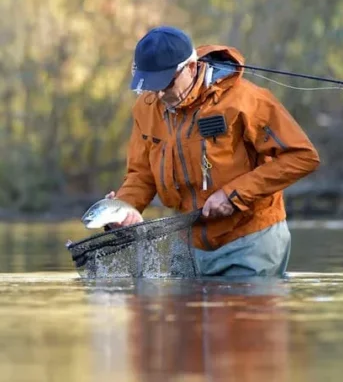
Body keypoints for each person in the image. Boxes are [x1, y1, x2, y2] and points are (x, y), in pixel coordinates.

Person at [107, 26, 320, 277]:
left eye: (166, 83)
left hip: (249, 240)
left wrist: (234, 195)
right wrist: (125, 207)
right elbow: (141, 174)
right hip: (186, 245)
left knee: (237, 316)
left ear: (191, 67)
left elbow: (302, 156)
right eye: (151, 86)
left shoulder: (246, 100)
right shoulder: (147, 107)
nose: (160, 94)